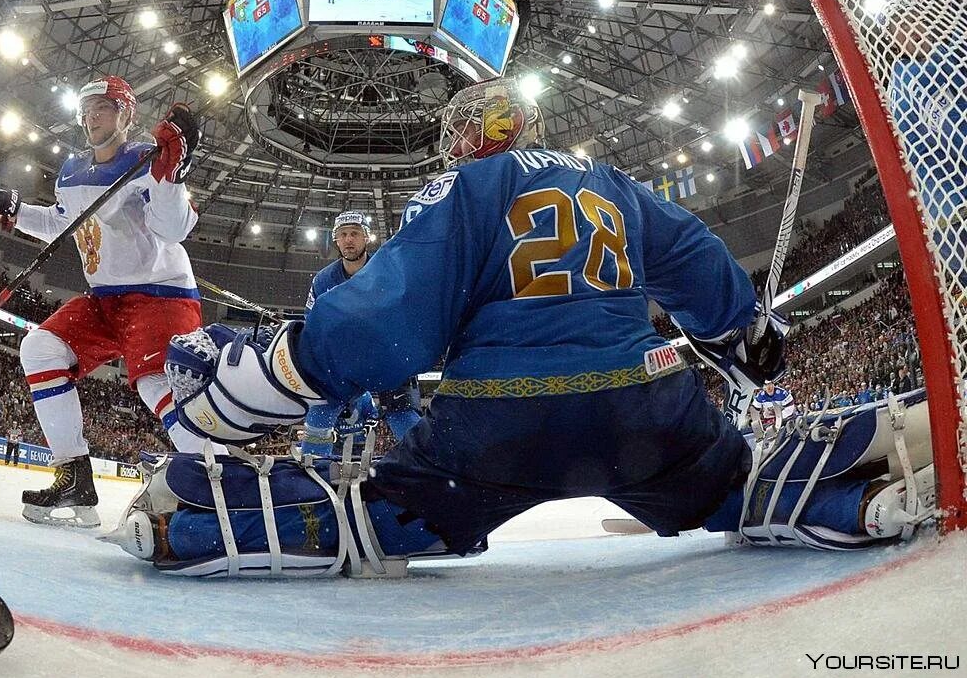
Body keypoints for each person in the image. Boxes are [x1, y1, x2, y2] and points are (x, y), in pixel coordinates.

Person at [106, 77, 937, 575]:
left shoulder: (465, 189)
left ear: (471, 135)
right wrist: (746, 337)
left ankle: (196, 523)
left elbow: (394, 322)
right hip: (646, 406)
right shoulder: (609, 179)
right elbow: (697, 262)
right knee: (730, 485)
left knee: (376, 518)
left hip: (502, 424)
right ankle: (869, 484)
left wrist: (282, 368)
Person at [0, 75, 205, 528]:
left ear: (125, 114)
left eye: (103, 106)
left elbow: (174, 228)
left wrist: (171, 174)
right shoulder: (72, 171)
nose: (91, 115)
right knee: (40, 347)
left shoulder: (144, 158)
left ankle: (220, 479)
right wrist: (16, 211)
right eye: (87, 108)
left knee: (155, 384)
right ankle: (74, 476)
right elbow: (64, 223)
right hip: (105, 299)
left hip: (160, 294)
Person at [301, 211, 421, 457]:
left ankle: (429, 471)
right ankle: (312, 471)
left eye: (355, 233)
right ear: (336, 240)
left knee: (404, 416)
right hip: (342, 360)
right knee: (319, 416)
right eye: (343, 234)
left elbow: (406, 315)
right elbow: (312, 324)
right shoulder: (323, 280)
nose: (348, 240)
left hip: (387, 355)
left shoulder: (388, 269)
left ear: (366, 237)